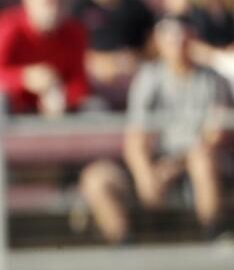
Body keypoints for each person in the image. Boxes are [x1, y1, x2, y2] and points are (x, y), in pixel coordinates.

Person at [78, 15, 229, 244]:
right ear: (158, 40)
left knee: (202, 157)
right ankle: (125, 247)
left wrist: (174, 166)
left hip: (195, 165)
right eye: (169, 34)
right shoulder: (148, 78)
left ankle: (212, 236)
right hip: (154, 164)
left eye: (181, 33)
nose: (176, 41)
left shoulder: (213, 80)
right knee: (96, 179)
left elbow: (213, 136)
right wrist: (145, 174)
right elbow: (136, 137)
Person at [0, 0, 89, 121]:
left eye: (61, 3)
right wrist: (24, 78)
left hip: (55, 112)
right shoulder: (8, 25)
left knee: (93, 108)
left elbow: (79, 83)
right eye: (48, 3)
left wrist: (62, 97)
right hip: (11, 112)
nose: (54, 10)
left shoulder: (74, 32)